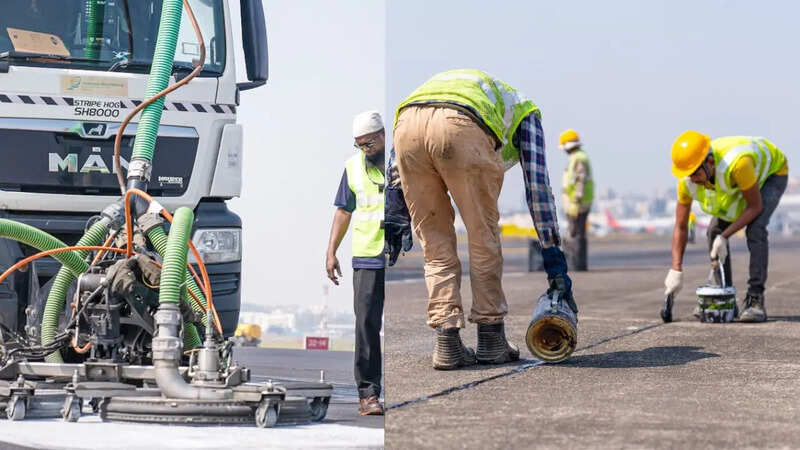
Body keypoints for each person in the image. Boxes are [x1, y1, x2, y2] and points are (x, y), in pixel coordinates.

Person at [389, 69, 576, 370]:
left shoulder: (467, 91)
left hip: (406, 125)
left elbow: (397, 157)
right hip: (461, 125)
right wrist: (555, 262)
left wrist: (394, 205)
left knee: (435, 246)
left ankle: (447, 343)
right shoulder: (526, 113)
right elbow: (538, 188)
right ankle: (491, 339)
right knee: (482, 237)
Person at [664, 131, 788, 322]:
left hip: (772, 174)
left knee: (755, 228)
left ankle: (755, 300)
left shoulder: (738, 163)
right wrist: (676, 269)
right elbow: (681, 226)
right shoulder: (688, 180)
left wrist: (725, 236)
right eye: (688, 174)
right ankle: (725, 299)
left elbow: (755, 207)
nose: (692, 179)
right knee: (714, 231)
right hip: (740, 179)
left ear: (710, 162)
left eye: (696, 173)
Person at [325, 111, 386, 415]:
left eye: (369, 143)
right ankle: (368, 394)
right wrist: (331, 251)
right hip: (367, 255)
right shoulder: (352, 167)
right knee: (366, 325)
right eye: (359, 144)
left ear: (382, 136)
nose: (365, 149)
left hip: (398, 255)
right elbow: (343, 211)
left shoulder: (402, 162)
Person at [559, 129, 594, 271]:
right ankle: (577, 263)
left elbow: (580, 181)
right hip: (577, 202)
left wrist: (575, 201)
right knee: (577, 232)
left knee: (575, 232)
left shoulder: (578, 158)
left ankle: (576, 263)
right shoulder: (577, 157)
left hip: (578, 203)